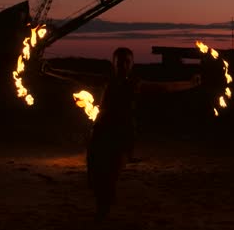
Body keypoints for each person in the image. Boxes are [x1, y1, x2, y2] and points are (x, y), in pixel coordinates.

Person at [43, 47, 201, 221]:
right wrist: (53, 72)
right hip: (101, 132)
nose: (123, 64)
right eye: (120, 61)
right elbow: (78, 76)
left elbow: (165, 88)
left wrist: (191, 84)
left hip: (123, 134)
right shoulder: (106, 81)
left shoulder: (135, 84)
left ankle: (103, 209)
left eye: (127, 61)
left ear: (132, 64)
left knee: (111, 175)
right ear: (114, 63)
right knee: (95, 174)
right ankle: (103, 203)